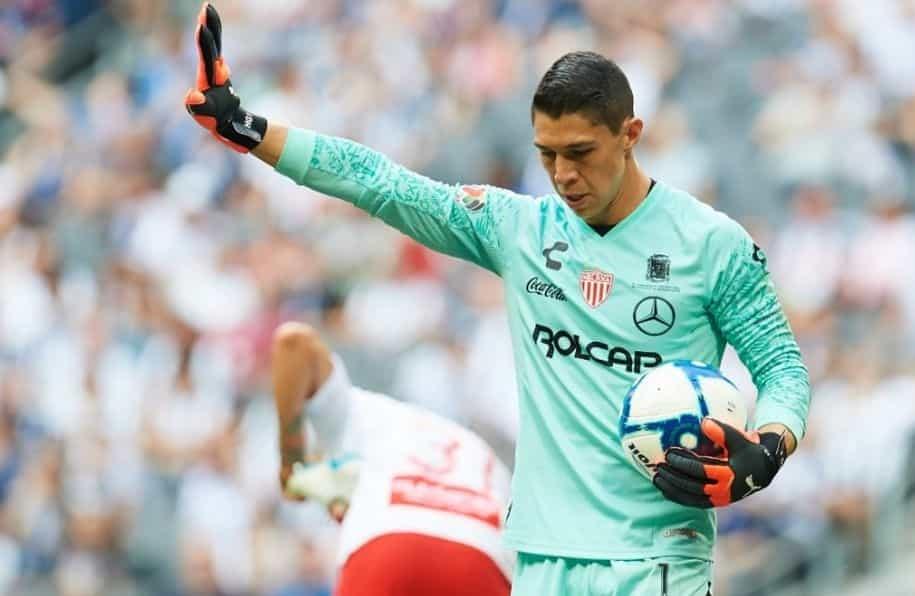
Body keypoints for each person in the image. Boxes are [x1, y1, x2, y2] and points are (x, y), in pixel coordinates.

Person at [186, 4, 811, 594]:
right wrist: (248, 129)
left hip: (657, 559)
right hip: (541, 558)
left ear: (631, 135)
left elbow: (782, 367)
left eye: (581, 153)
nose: (563, 175)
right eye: (548, 155)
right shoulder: (521, 229)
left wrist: (768, 448)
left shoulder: (712, 244)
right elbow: (381, 183)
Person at [271, 321, 512, 596]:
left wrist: (291, 460)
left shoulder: (359, 411)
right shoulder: (478, 450)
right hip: (485, 554)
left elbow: (292, 341)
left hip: (388, 538)